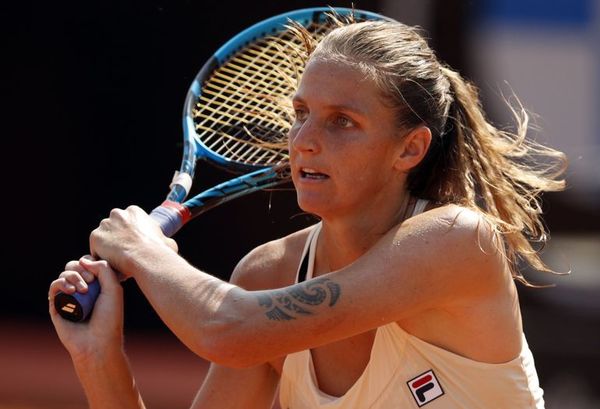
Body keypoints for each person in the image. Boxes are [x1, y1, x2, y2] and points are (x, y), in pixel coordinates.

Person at [49, 13, 567, 409]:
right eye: (301, 114)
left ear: (409, 149)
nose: (305, 141)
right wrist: (99, 360)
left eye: (341, 121)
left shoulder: (457, 239)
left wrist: (141, 249)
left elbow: (227, 328)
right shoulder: (266, 274)